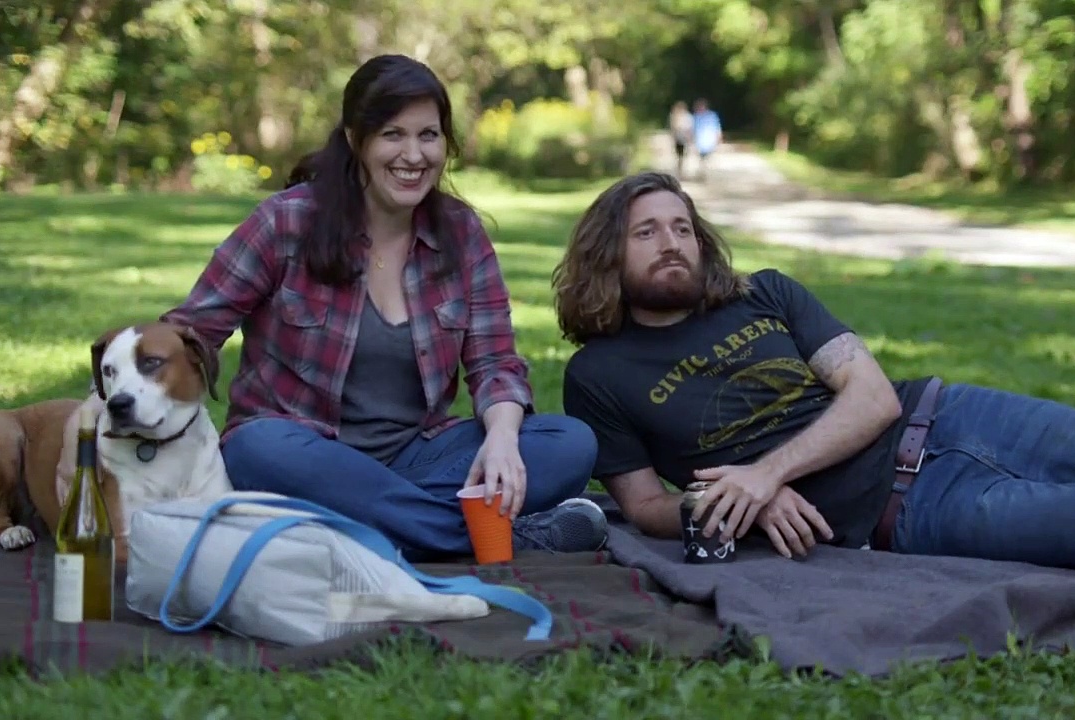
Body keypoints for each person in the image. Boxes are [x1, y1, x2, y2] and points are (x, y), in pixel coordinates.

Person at [552, 171, 1075, 571]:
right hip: (904, 512)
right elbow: (644, 508)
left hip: (954, 416)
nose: (671, 243)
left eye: (682, 228)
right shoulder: (598, 373)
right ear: (608, 253)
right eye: (646, 232)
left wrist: (766, 474)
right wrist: (736, 505)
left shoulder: (764, 292)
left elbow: (873, 397)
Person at [158, 54, 608, 561]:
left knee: (569, 442)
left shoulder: (461, 233)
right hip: (301, 455)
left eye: (428, 135)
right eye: (393, 134)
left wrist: (502, 438)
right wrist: (107, 410)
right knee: (254, 448)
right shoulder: (286, 223)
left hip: (416, 458)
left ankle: (347, 529)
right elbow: (189, 333)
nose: (414, 155)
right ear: (356, 139)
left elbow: (495, 362)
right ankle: (497, 533)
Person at [690, 99, 722, 181]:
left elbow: (717, 128)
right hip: (700, 142)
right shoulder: (696, 117)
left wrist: (718, 138)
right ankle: (703, 172)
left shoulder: (712, 116)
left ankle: (704, 172)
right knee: (702, 158)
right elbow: (692, 130)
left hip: (709, 141)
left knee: (707, 157)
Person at [668, 101, 693, 179]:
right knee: (681, 156)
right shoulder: (678, 117)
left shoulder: (676, 117)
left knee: (681, 157)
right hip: (680, 139)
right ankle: (680, 172)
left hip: (682, 139)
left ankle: (680, 172)